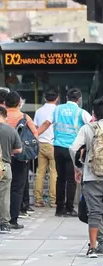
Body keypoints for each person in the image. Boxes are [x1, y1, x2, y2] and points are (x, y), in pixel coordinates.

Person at [41, 89, 91, 217]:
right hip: (73, 149)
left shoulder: (56, 110)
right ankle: (69, 208)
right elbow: (92, 125)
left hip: (57, 148)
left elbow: (46, 123)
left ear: (66, 97)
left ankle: (59, 209)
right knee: (71, 179)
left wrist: (36, 134)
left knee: (60, 178)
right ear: (79, 99)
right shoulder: (81, 112)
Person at [71, 97, 103, 257]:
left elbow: (73, 148)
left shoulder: (87, 128)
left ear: (94, 114)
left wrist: (78, 167)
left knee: (95, 213)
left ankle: (92, 247)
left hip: (92, 175)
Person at [4, 91, 38, 229]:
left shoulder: (0, 117)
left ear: (5, 103)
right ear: (19, 103)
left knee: (2, 189)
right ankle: (13, 219)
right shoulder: (24, 117)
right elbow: (35, 136)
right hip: (20, 158)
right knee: (17, 188)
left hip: (2, 157)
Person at [0, 106, 23, 234]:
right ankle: (4, 223)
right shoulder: (11, 130)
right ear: (5, 116)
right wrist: (8, 151)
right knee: (3, 196)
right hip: (5, 166)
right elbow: (19, 150)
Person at [33, 89, 59, 208]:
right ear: (57, 98)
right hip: (53, 144)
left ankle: (38, 200)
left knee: (40, 172)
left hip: (41, 143)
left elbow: (36, 127)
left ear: (44, 98)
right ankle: (53, 201)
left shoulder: (39, 111)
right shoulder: (58, 110)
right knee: (54, 173)